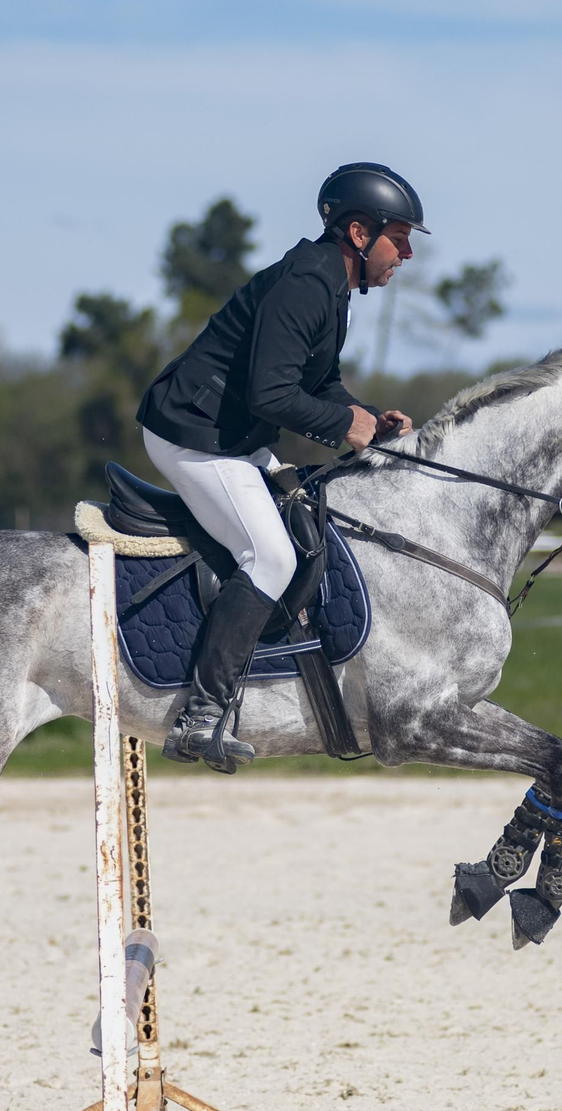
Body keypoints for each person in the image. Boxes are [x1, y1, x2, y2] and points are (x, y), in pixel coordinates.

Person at [136, 162, 425, 772]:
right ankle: (202, 714)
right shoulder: (306, 283)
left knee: (304, 521)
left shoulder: (334, 288)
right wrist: (345, 425)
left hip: (231, 434)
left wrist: (365, 414)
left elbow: (320, 383)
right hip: (194, 434)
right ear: (357, 233)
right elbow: (272, 394)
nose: (404, 253)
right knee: (271, 556)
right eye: (397, 237)